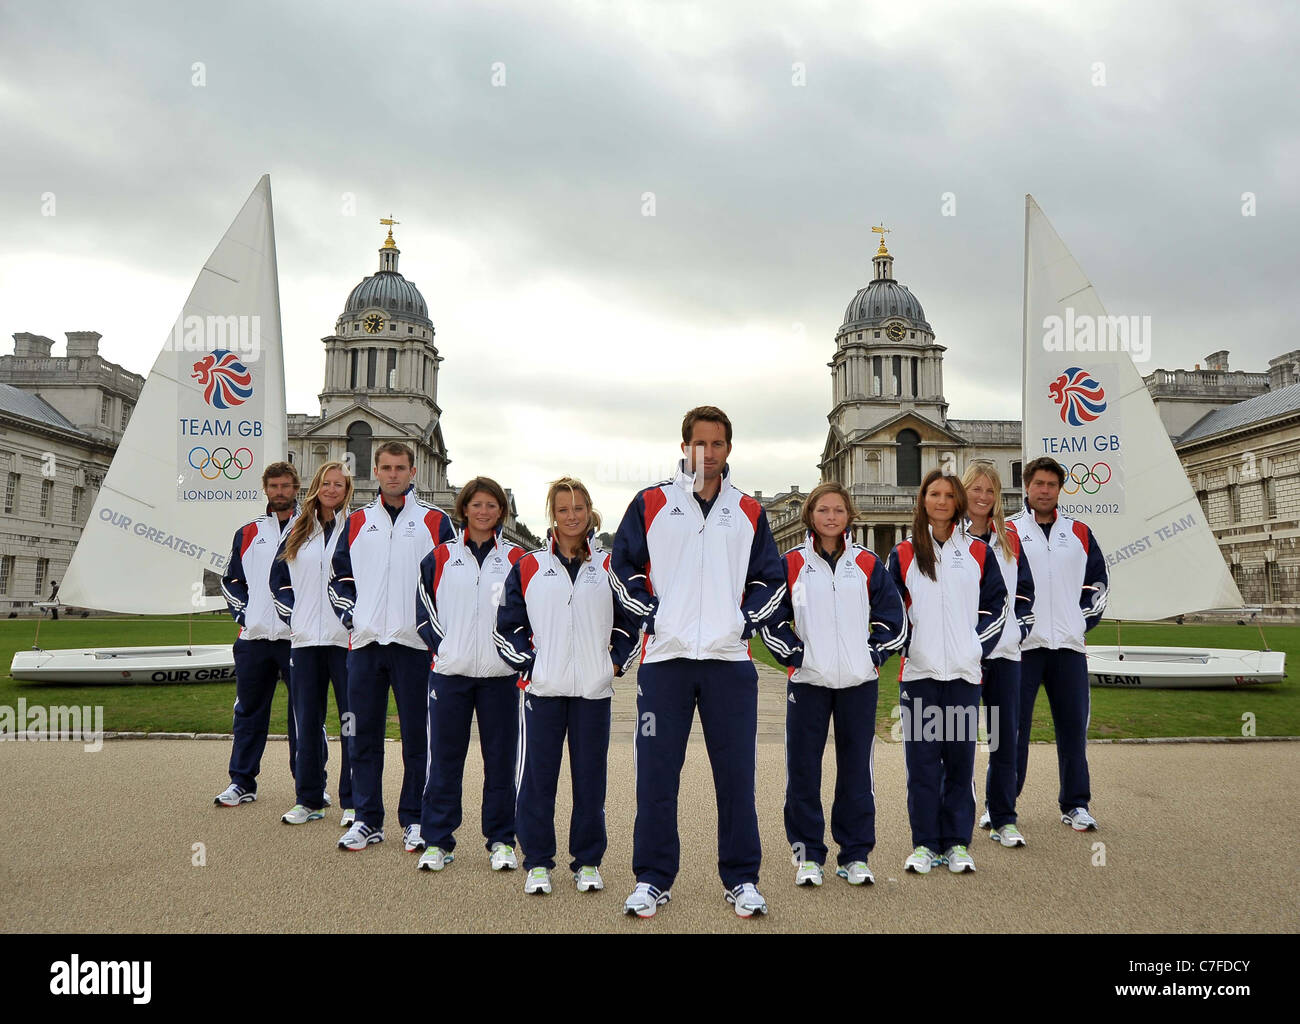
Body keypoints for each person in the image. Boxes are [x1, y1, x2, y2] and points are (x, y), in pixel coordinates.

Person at [611, 405, 787, 919]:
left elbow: (771, 580)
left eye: (717, 445)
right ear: (683, 446)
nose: (707, 454)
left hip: (729, 661)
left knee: (736, 776)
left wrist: (743, 622)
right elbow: (623, 566)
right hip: (664, 660)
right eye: (698, 444)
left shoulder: (749, 509)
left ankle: (742, 879)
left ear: (729, 449)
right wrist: (653, 614)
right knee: (658, 777)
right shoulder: (650, 502)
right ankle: (652, 878)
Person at [493, 477, 640, 895]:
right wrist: (532, 666)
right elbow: (507, 625)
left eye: (577, 508)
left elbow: (631, 623)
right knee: (539, 779)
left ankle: (588, 862)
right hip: (543, 690)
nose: (571, 516)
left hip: (593, 691)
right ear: (552, 515)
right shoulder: (529, 565)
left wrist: (612, 665)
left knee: (590, 780)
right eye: (562, 509)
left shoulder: (611, 566)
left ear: (589, 510)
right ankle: (538, 862)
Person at [761, 482, 906, 888]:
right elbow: (771, 618)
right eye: (823, 510)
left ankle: (855, 854)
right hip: (808, 681)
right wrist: (796, 655)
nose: (830, 517)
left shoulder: (867, 563)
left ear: (848, 516)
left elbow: (893, 618)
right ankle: (808, 854)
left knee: (856, 770)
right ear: (810, 515)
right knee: (804, 770)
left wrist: (873, 655)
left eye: (838, 510)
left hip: (858, 681)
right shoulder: (790, 563)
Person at [329, 442, 454, 851]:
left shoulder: (436, 522)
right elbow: (339, 577)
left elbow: (448, 584)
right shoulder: (357, 521)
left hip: (415, 647)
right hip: (365, 644)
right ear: (376, 472)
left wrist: (431, 633)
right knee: (362, 735)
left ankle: (414, 819)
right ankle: (367, 818)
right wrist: (354, 617)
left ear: (413, 472)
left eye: (401, 468)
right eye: (386, 468)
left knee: (418, 737)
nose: (394, 474)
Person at [887, 468, 1007, 875]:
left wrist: (975, 648)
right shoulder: (903, 553)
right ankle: (924, 843)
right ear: (923, 501)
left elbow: (997, 606)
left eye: (947, 495)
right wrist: (909, 647)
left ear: (957, 502)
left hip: (962, 675)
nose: (941, 501)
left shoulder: (978, 552)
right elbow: (890, 612)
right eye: (933, 494)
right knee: (921, 765)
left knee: (958, 763)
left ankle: (956, 843)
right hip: (918, 676)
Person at [414, 477, 526, 873]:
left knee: (500, 762)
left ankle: (500, 840)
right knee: (444, 761)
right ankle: (437, 841)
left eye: (491, 505)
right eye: (476, 504)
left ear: (501, 511)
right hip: (451, 675)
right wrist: (446, 650)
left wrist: (516, 657)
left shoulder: (516, 560)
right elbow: (425, 612)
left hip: (500, 677)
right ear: (463, 509)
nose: (483, 512)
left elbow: (527, 617)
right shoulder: (440, 557)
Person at [1008, 457, 1109, 831]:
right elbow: (997, 586)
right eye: (1039, 484)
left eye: (1051, 484)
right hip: (1023, 649)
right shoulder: (1008, 531)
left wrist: (1080, 619)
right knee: (1012, 730)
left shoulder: (1080, 532)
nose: (1045, 490)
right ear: (1027, 486)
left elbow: (1097, 582)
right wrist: (1015, 627)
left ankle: (1075, 804)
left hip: (1068, 647)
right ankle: (1001, 806)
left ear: (1059, 489)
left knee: (1072, 730)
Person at [271, 461, 355, 826]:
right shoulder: (296, 529)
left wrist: (354, 620)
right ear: (316, 486)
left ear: (347, 490)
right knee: (307, 722)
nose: (332, 489)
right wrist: (294, 616)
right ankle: (309, 798)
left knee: (352, 722)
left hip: (346, 641)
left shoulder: (357, 528)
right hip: (305, 641)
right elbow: (278, 581)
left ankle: (353, 801)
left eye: (339, 484)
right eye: (326, 482)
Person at [213, 461, 301, 807]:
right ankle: (241, 782)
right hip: (254, 639)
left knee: (303, 715)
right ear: (266, 490)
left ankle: (309, 786)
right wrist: (246, 614)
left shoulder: (311, 528)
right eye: (274, 486)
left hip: (298, 640)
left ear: (296, 489)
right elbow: (231, 579)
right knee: (248, 712)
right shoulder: (248, 532)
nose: (279, 492)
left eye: (286, 486)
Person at [962, 462, 1036, 848]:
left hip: (1005, 653)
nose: (983, 497)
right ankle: (954, 821)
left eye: (990, 491)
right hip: (962, 657)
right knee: (957, 742)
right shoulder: (947, 537)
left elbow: (1024, 592)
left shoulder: (1009, 538)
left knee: (1004, 740)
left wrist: (1019, 628)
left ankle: (1002, 815)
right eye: (976, 489)